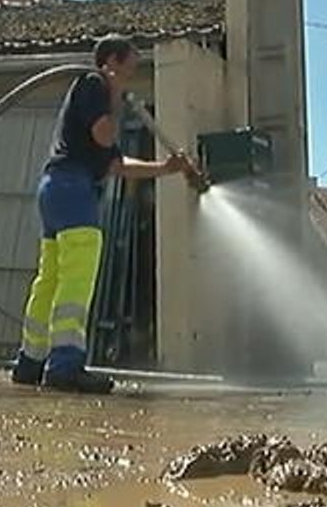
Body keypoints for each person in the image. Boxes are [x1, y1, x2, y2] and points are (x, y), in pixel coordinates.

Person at [11, 34, 194, 394]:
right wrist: (112, 94)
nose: (132, 74)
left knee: (49, 279)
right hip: (74, 189)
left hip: (54, 189)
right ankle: (65, 366)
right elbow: (105, 136)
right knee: (76, 279)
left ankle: (30, 362)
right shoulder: (95, 84)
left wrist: (166, 168)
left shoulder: (92, 90)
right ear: (112, 61)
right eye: (130, 66)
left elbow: (115, 165)